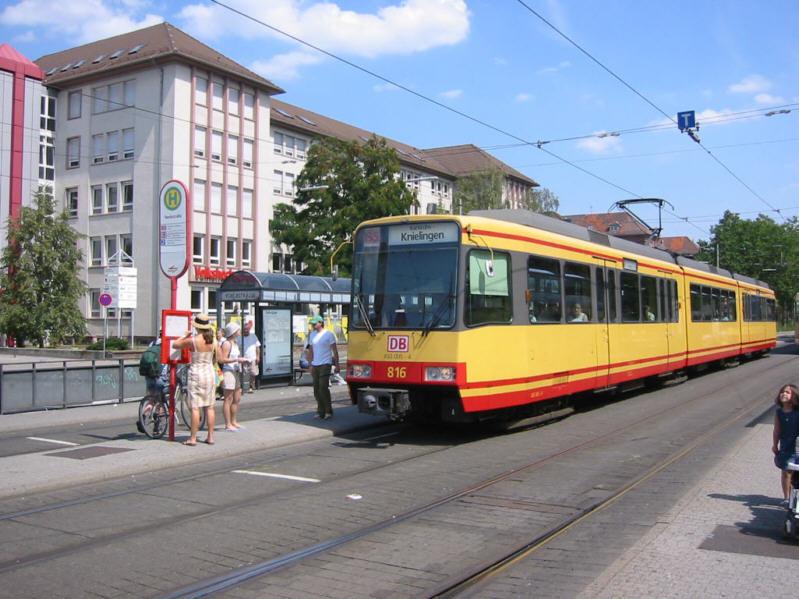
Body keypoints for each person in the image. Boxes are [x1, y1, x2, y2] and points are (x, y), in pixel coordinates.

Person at [171, 314, 217, 446]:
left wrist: (184, 335)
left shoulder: (193, 340)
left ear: (197, 327)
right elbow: (218, 358)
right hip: (209, 374)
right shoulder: (213, 341)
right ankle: (210, 437)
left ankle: (193, 438)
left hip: (196, 374)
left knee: (195, 407)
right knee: (210, 407)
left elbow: (175, 345)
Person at [307, 315, 339, 419]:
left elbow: (334, 350)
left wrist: (337, 364)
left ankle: (328, 411)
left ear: (320, 323)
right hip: (315, 364)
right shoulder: (312, 335)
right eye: (312, 324)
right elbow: (311, 350)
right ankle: (320, 410)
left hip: (325, 364)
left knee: (323, 387)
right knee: (316, 389)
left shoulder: (328, 334)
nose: (313, 325)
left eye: (314, 323)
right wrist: (310, 364)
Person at [772, 384, 799, 504]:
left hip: (797, 446)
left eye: (788, 392)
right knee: (786, 472)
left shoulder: (797, 412)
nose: (784, 394)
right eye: (782, 392)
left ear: (794, 396)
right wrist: (775, 445)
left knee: (795, 474)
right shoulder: (779, 413)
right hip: (786, 447)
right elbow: (776, 430)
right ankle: (787, 498)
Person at [219, 321, 248, 431]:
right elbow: (222, 359)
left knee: (237, 398)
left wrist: (241, 361)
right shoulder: (227, 343)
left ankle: (234, 421)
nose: (240, 331)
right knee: (228, 398)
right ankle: (228, 424)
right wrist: (236, 359)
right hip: (228, 372)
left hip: (235, 371)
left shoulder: (235, 343)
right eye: (238, 329)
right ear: (233, 331)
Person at [241, 319, 261, 393]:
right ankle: (243, 386)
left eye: (247, 329)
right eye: (245, 329)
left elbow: (257, 347)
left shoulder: (253, 336)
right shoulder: (239, 337)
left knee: (253, 373)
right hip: (243, 358)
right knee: (243, 373)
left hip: (252, 358)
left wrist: (258, 356)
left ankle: (251, 386)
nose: (246, 330)